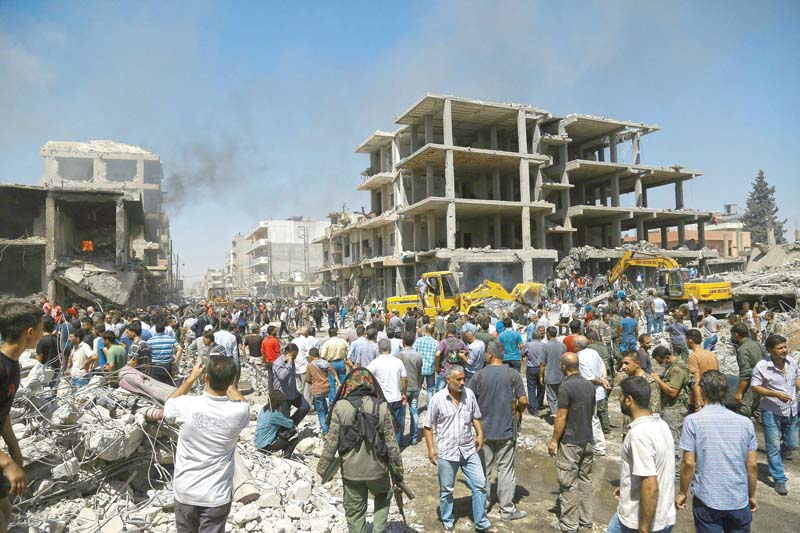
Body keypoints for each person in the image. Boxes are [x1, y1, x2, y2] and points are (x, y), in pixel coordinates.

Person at [164, 356, 249, 533]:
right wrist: (229, 383)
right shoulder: (239, 412)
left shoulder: (186, 405)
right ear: (232, 380)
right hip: (216, 496)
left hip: (186, 491)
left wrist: (190, 378)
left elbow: (168, 405)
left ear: (206, 378)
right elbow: (242, 402)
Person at [317, 368, 403, 533]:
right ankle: (378, 529)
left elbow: (331, 443)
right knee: (383, 497)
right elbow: (392, 445)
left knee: (355, 511)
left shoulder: (340, 407)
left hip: (351, 471)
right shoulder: (382, 406)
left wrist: (322, 468)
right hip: (378, 470)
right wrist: (399, 471)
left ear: (349, 385)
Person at [676, 371, 758, 532]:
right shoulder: (745, 423)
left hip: (708, 499)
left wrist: (682, 492)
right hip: (738, 499)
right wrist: (752, 495)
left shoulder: (693, 421)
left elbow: (688, 463)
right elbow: (752, 465)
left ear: (703, 391)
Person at [424, 365, 495, 533]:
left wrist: (480, 434)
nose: (463, 382)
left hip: (468, 449)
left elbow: (475, 416)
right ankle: (448, 520)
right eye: (458, 379)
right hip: (447, 452)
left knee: (479, 484)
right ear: (448, 380)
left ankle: (481, 522)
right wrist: (431, 449)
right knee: (447, 489)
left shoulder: (469, 395)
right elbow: (428, 426)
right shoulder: (437, 399)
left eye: (464, 379)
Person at [607, 376, 676, 533]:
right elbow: (656, 467)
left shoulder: (639, 434)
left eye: (621, 397)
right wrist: (627, 486)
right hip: (663, 515)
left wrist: (643, 529)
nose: (619, 401)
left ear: (629, 400)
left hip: (638, 521)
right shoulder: (661, 424)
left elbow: (650, 485)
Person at [468, 341, 527, 522]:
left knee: (482, 471)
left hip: (483, 432)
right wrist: (517, 412)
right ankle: (507, 510)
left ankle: (482, 507)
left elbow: (468, 399)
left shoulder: (479, 375)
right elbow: (523, 400)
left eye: (487, 352)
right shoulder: (513, 374)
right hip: (507, 430)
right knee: (506, 470)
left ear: (491, 354)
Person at [548, 352, 595, 533]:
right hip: (587, 440)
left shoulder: (565, 387)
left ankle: (569, 524)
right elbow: (590, 412)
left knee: (568, 484)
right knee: (585, 481)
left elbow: (561, 416)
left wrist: (554, 440)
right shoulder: (589, 385)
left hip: (570, 442)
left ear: (563, 366)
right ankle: (585, 521)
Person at [750, 334, 799, 495]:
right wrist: (775, 394)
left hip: (792, 410)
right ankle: (779, 478)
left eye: (785, 347)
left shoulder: (792, 362)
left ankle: (776, 461)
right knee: (773, 446)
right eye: (780, 348)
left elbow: (796, 379)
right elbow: (755, 387)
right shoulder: (762, 366)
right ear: (770, 350)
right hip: (771, 411)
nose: (784, 350)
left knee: (792, 443)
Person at [650, 345, 690, 475]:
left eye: (660, 361)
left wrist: (657, 380)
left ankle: (676, 474)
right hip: (671, 408)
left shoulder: (677, 369)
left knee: (674, 443)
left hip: (674, 410)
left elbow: (673, 392)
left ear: (666, 357)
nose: (660, 364)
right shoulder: (673, 366)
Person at [367, 339, 407, 446]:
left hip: (381, 399)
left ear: (379, 349)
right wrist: (403, 393)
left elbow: (366, 376)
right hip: (396, 397)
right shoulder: (398, 362)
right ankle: (396, 446)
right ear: (390, 349)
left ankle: (383, 446)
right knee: (396, 423)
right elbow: (404, 378)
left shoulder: (375, 363)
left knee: (381, 423)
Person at [575, 336, 607, 456]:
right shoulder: (593, 352)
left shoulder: (579, 357)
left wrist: (601, 381)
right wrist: (604, 378)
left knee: (592, 420)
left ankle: (599, 446)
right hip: (598, 392)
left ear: (577, 346)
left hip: (590, 393)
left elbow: (590, 378)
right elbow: (602, 365)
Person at [732, 322, 767, 420]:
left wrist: (739, 392)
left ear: (736, 334)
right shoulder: (757, 344)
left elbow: (746, 374)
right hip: (764, 385)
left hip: (751, 387)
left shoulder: (742, 350)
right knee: (760, 414)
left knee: (743, 414)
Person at [272, 343, 310, 426]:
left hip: (293, 393)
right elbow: (282, 377)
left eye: (296, 356)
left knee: (305, 407)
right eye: (293, 356)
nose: (295, 358)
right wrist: (289, 364)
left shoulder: (292, 361)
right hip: (283, 395)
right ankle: (285, 433)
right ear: (287, 353)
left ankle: (291, 425)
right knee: (285, 420)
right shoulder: (278, 363)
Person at [397, 332, 423, 446]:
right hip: (415, 387)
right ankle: (414, 437)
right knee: (414, 412)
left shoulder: (400, 355)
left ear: (403, 341)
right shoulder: (418, 355)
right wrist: (419, 384)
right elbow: (419, 372)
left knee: (402, 414)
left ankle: (400, 439)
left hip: (403, 389)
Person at [255, 390, 299, 456]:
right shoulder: (274, 414)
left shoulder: (264, 409)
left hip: (258, 443)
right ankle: (286, 456)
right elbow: (290, 424)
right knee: (294, 437)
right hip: (265, 447)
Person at [685, 329, 718, 412]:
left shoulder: (693, 357)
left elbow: (696, 380)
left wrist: (698, 403)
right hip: (714, 398)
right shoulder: (712, 355)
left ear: (690, 340)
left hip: (701, 399)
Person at [306, 347, 334, 435]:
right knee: (325, 407)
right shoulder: (325, 363)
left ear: (311, 356)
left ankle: (325, 432)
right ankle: (329, 425)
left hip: (317, 390)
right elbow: (333, 372)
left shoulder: (310, 365)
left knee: (320, 412)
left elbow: (307, 379)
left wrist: (313, 381)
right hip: (326, 389)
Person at [540, 326, 566, 420]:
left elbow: (542, 363)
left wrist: (541, 376)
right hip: (561, 376)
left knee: (551, 397)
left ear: (548, 334)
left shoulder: (545, 346)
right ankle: (561, 415)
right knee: (561, 396)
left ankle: (555, 415)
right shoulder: (563, 346)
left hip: (550, 376)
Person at [147, 320, 182, 385]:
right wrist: (176, 361)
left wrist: (149, 362)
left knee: (156, 385)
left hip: (155, 366)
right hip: (167, 366)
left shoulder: (150, 341)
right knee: (168, 386)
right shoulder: (171, 339)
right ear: (164, 329)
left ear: (156, 330)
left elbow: (147, 352)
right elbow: (180, 349)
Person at [435, 323, 467, 392]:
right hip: (457, 371)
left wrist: (437, 367)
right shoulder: (460, 342)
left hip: (445, 371)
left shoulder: (443, 342)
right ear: (455, 332)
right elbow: (466, 351)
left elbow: (437, 354)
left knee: (439, 391)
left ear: (447, 331)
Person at [521, 328, 546, 414]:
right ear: (540, 336)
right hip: (541, 368)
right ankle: (539, 403)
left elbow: (522, 354)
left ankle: (534, 408)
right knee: (541, 387)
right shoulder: (543, 345)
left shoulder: (528, 345)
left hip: (531, 368)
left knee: (531, 388)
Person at [320, 327, 348, 404]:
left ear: (329, 334)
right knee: (343, 381)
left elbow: (322, 356)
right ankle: (343, 398)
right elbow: (348, 350)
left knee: (332, 383)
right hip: (341, 362)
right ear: (337, 333)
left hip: (331, 363)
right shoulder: (343, 341)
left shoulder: (327, 343)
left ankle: (332, 401)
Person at [414, 324, 439, 409]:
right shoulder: (436, 343)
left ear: (424, 331)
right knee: (430, 389)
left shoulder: (418, 340)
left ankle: (414, 405)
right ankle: (430, 408)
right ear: (433, 332)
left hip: (420, 369)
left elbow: (414, 352)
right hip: (430, 369)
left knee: (418, 388)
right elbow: (437, 356)